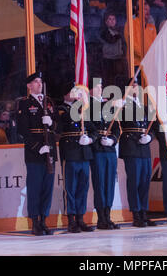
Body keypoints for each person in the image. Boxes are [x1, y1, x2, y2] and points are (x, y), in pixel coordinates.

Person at [16, 72, 58, 236]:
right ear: (29, 86)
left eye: (41, 81)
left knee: (47, 187)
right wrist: (37, 146)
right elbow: (22, 131)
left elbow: (57, 128)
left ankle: (44, 221)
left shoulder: (49, 103)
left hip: (50, 152)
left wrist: (51, 123)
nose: (39, 84)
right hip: (35, 153)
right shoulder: (24, 104)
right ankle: (35, 222)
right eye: (35, 81)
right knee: (34, 188)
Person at [57, 81, 97, 233]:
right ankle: (71, 220)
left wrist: (90, 139)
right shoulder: (63, 109)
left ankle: (81, 218)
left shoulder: (83, 111)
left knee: (83, 188)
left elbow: (94, 130)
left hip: (84, 154)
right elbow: (63, 123)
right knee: (71, 189)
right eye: (77, 93)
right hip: (71, 152)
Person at [118, 77, 157, 227]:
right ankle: (136, 213)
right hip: (131, 145)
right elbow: (116, 120)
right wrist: (118, 107)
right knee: (134, 181)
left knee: (145, 181)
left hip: (144, 147)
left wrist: (149, 137)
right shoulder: (123, 105)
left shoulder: (144, 106)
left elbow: (151, 127)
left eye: (137, 86)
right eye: (133, 86)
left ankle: (144, 213)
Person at [87, 77, 121, 230]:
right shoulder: (87, 106)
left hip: (109, 149)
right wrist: (99, 139)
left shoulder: (108, 106)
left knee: (109, 184)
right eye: (98, 87)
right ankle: (101, 217)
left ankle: (108, 215)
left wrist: (113, 140)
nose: (101, 89)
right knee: (100, 184)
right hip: (97, 148)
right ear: (91, 90)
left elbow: (116, 129)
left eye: (102, 86)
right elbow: (89, 127)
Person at [124, 0, 157, 68]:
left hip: (149, 64)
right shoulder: (131, 23)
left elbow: (155, 45)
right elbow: (132, 44)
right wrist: (145, 55)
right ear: (138, 11)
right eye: (145, 9)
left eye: (148, 10)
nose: (147, 12)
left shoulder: (152, 27)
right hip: (136, 64)